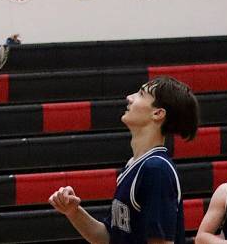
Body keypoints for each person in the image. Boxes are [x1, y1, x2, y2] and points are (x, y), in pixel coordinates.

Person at [48, 76, 200, 244]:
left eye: (141, 94)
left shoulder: (156, 169)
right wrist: (73, 212)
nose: (129, 97)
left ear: (157, 113)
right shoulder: (134, 166)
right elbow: (107, 238)